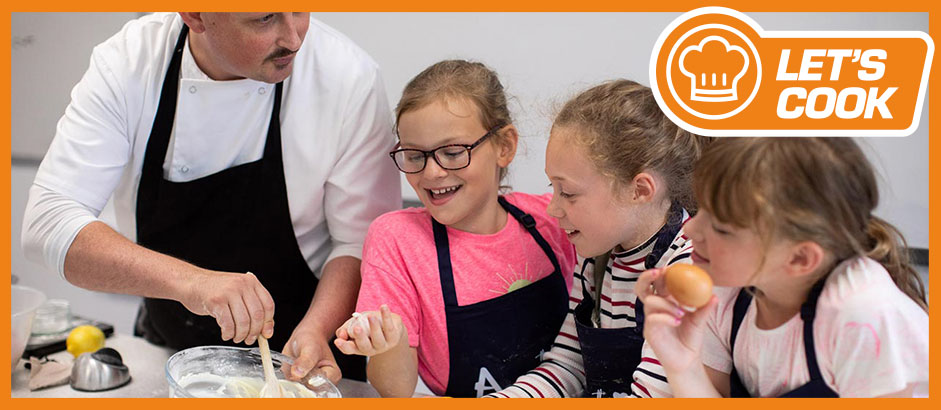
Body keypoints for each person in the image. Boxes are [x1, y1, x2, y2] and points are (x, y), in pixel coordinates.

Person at [20, 12, 401, 383]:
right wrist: (192, 283)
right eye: (264, 19)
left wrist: (317, 329)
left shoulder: (348, 77)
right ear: (195, 16)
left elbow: (359, 241)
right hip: (169, 349)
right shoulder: (129, 63)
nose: (295, 38)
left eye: (300, 9)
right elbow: (48, 223)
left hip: (302, 359)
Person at [331, 60, 577, 397]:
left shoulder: (550, 218)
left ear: (504, 146)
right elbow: (396, 389)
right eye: (415, 155)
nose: (432, 173)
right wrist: (387, 342)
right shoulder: (398, 239)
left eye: (452, 152)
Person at [638, 137, 929, 397]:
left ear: (800, 259)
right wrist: (681, 364)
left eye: (722, 229)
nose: (689, 231)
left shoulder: (864, 319)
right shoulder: (721, 290)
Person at [489, 79, 711, 398]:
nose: (553, 208)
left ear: (640, 190)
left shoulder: (685, 270)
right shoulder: (596, 256)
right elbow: (568, 365)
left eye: (568, 193)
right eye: (553, 188)